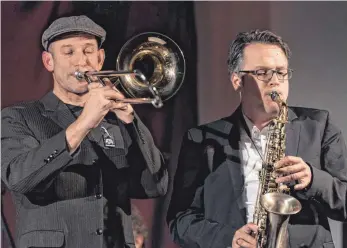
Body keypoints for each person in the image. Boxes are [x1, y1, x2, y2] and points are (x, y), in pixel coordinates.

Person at [167, 29, 347, 248]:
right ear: (237, 81)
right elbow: (180, 221)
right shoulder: (201, 139)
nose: (275, 82)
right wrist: (228, 238)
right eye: (262, 73)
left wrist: (313, 179)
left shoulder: (319, 126)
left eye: (281, 72)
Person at [1, 15, 168, 248]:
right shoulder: (20, 117)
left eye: (88, 51)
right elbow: (20, 178)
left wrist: (130, 121)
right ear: (49, 61)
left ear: (100, 59)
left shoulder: (116, 121)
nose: (81, 62)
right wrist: (84, 124)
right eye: (68, 53)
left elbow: (155, 186)